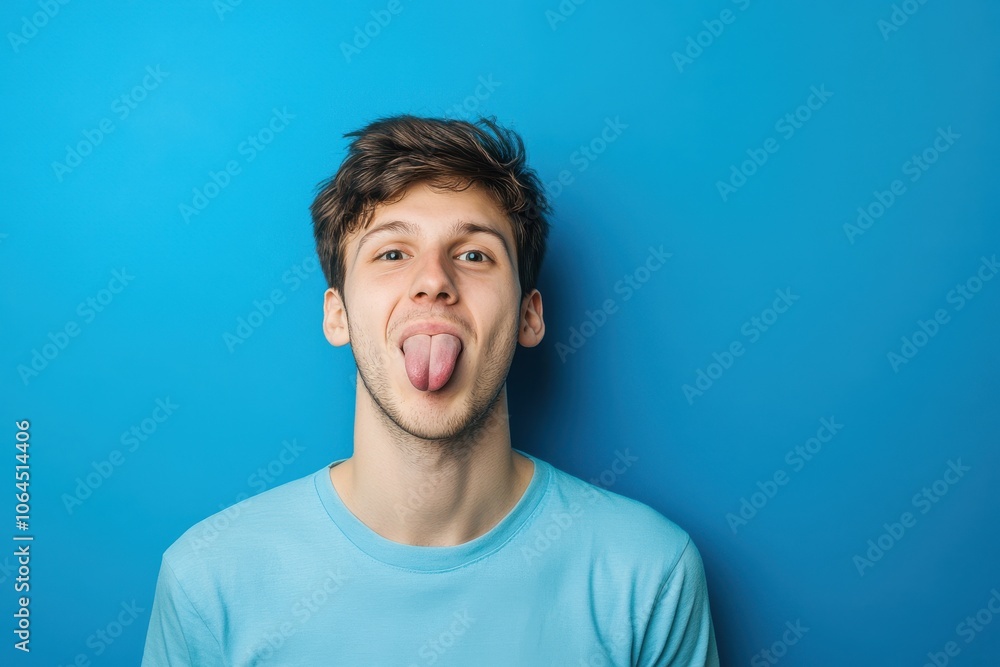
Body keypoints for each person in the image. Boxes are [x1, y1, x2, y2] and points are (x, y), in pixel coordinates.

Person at [141, 114, 720, 666]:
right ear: (337, 315)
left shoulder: (648, 576)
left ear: (529, 316)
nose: (434, 282)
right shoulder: (210, 580)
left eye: (474, 254)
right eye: (393, 252)